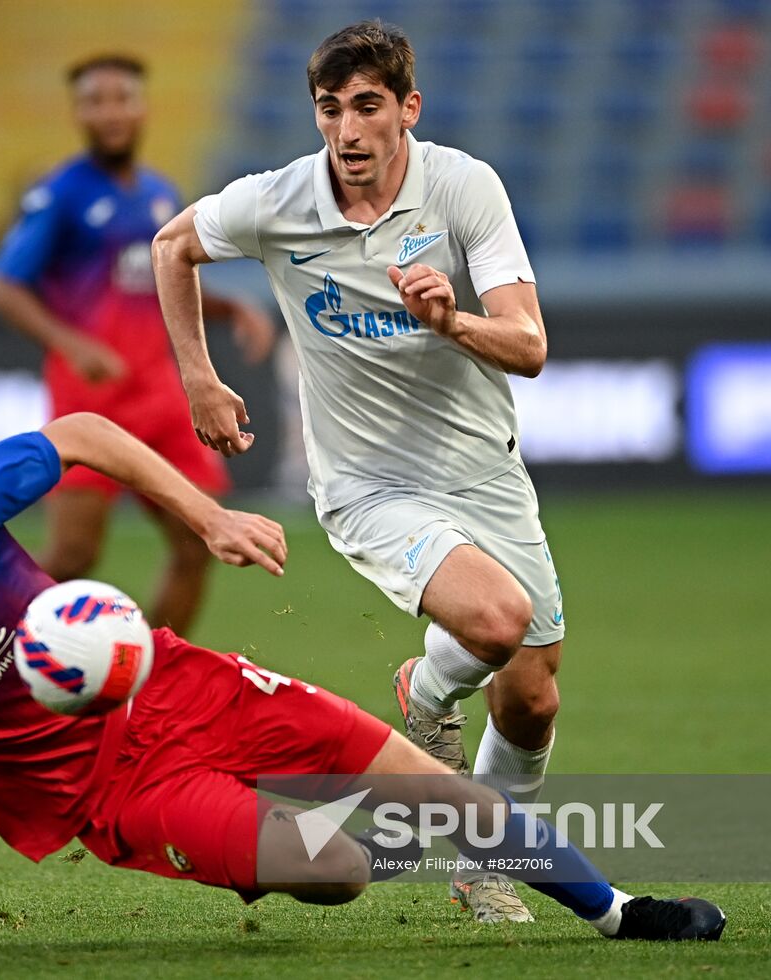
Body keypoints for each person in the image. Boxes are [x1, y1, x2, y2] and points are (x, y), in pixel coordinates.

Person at [0, 413, 725, 960]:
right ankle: (279, 829)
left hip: (183, 683)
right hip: (118, 793)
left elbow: (80, 433)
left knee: (443, 791)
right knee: (337, 870)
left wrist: (207, 518)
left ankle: (619, 911)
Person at [151, 21, 570, 922]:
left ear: (407, 110)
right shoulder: (279, 200)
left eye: (368, 106)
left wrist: (451, 321)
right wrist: (199, 377)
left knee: (532, 699)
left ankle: (431, 723)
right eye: (330, 109)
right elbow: (171, 247)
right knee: (498, 623)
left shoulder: (463, 189)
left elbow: (530, 345)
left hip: (485, 470)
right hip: (368, 484)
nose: (347, 129)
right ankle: (486, 847)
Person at [0, 53, 275, 636]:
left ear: (142, 108)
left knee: (199, 544)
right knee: (71, 557)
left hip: (164, 398)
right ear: (79, 112)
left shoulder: (160, 195)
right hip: (92, 402)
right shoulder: (61, 195)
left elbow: (159, 282)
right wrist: (73, 344)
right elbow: (4, 286)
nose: (110, 112)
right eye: (96, 100)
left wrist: (229, 307)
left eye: (122, 98)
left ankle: (148, 678)